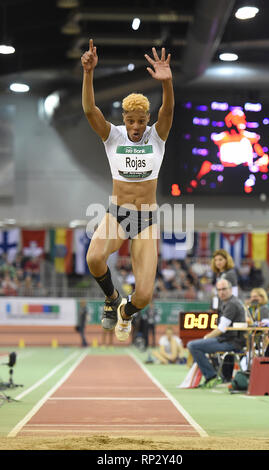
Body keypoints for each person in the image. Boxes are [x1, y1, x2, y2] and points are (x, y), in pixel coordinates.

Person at [81, 39, 174, 342]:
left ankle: (124, 312)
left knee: (145, 296)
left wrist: (167, 83)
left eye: (141, 121)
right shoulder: (113, 136)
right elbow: (90, 110)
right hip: (118, 214)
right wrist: (88, 74)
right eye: (131, 121)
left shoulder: (156, 136)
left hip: (146, 220)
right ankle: (111, 298)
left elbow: (169, 110)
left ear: (148, 120)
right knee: (94, 259)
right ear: (124, 120)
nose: (135, 127)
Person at [187, 278, 246, 388]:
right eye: (219, 290)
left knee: (193, 346)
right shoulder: (226, 302)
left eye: (224, 289)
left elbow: (221, 329)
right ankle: (213, 375)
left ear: (230, 290)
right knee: (196, 345)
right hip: (226, 339)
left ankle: (211, 376)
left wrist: (206, 337)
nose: (221, 292)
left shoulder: (232, 304)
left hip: (232, 342)